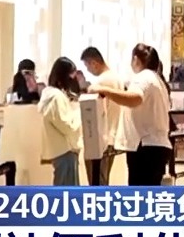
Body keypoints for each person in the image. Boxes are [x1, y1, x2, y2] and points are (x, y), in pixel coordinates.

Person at [92, 44, 172, 186]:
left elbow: (135, 98)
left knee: (140, 192)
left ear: (135, 59)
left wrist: (104, 90)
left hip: (145, 147)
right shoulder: (158, 81)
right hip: (156, 145)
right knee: (150, 192)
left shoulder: (143, 77)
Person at [79, 47, 121, 186]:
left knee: (96, 183)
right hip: (112, 137)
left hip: (99, 140)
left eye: (87, 66)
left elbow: (92, 111)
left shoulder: (101, 83)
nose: (88, 70)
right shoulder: (117, 79)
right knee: (104, 180)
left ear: (94, 63)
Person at [39, 57, 83, 186]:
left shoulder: (50, 95)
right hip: (65, 151)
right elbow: (66, 125)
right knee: (67, 192)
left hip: (61, 151)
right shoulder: (56, 97)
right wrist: (79, 112)